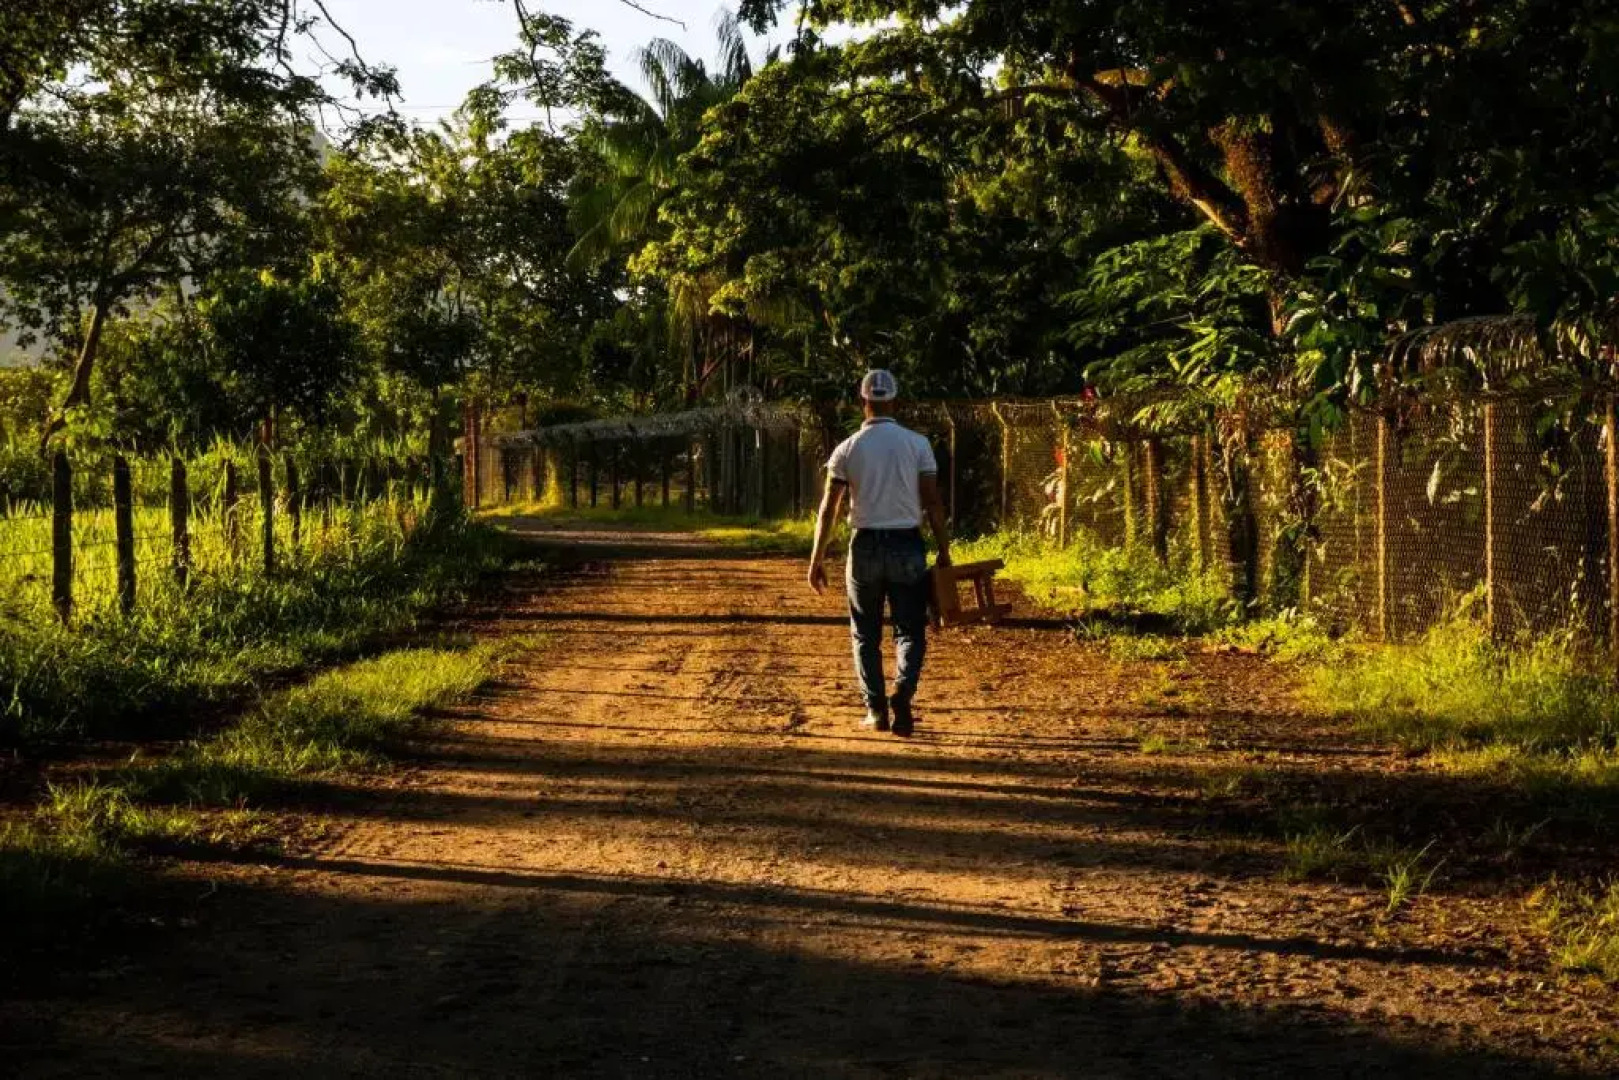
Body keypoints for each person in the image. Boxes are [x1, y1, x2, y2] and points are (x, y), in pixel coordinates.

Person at [807, 369, 952, 737]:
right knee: (909, 629)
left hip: (865, 545)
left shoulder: (848, 448)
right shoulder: (917, 445)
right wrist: (944, 549)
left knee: (865, 633)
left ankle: (876, 710)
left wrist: (817, 559)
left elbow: (829, 509)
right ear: (895, 401)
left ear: (863, 400)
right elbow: (933, 500)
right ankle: (903, 690)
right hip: (907, 542)